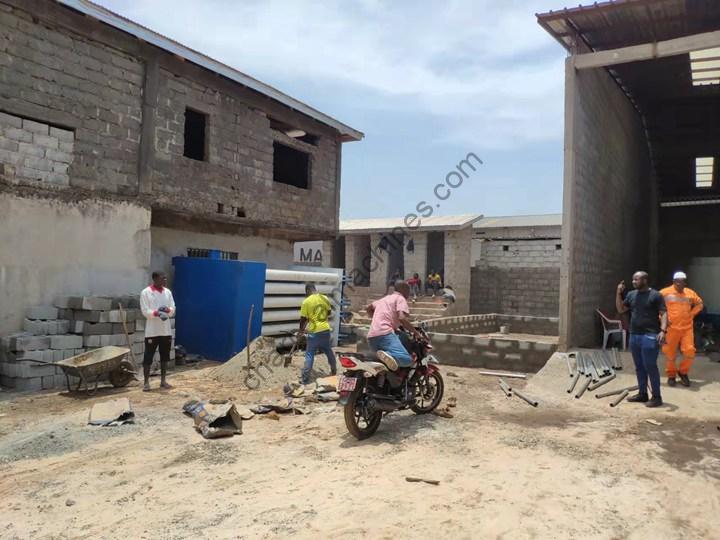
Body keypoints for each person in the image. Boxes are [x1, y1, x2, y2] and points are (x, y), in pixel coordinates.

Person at [615, 271, 668, 408]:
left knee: (650, 366)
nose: (633, 282)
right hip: (635, 335)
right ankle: (642, 394)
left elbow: (663, 313)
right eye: (633, 279)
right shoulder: (631, 295)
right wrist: (618, 293)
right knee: (639, 367)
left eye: (636, 279)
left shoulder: (656, 295)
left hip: (650, 335)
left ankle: (656, 397)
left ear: (644, 280)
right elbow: (621, 309)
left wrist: (663, 331)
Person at [365, 281, 423, 371]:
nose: (409, 293)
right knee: (407, 360)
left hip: (372, 336)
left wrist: (375, 318)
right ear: (403, 289)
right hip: (385, 334)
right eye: (408, 289)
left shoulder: (385, 299)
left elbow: (368, 308)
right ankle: (387, 355)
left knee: (383, 367)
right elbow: (402, 318)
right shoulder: (400, 298)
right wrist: (416, 333)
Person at [660, 271, 703, 387]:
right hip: (671, 328)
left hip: (687, 328)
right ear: (673, 282)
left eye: (682, 282)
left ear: (685, 282)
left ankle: (683, 372)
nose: (680, 284)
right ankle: (671, 375)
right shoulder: (664, 293)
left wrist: (692, 314)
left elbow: (700, 304)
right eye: (678, 282)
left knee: (690, 350)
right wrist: (662, 319)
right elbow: (656, 307)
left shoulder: (690, 293)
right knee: (670, 353)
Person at [140, 271, 176, 391]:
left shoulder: (167, 292)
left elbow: (173, 308)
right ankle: (146, 382)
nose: (165, 281)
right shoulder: (146, 292)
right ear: (155, 279)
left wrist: (168, 310)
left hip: (165, 331)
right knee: (148, 357)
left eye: (165, 278)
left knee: (165, 357)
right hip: (152, 331)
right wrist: (156, 313)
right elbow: (145, 311)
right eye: (162, 278)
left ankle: (163, 381)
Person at [298, 283, 336, 384]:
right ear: (315, 289)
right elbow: (329, 312)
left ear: (307, 291)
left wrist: (301, 330)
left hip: (314, 332)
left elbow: (303, 319)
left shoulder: (306, 302)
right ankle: (334, 370)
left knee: (309, 354)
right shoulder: (324, 298)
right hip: (325, 329)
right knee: (328, 350)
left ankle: (305, 379)